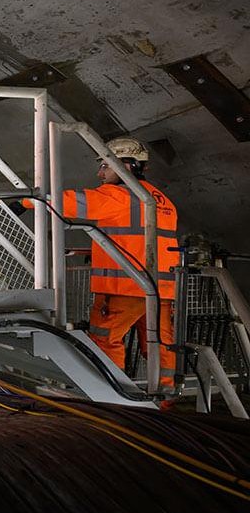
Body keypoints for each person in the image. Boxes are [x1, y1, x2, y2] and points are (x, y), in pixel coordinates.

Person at [24, 137, 181, 393]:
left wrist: (26, 200)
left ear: (125, 166)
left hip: (124, 289)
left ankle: (113, 398)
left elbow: (70, 201)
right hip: (160, 289)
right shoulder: (163, 201)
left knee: (106, 341)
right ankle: (164, 398)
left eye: (105, 166)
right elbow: (139, 241)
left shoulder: (119, 195)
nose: (100, 174)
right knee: (159, 345)